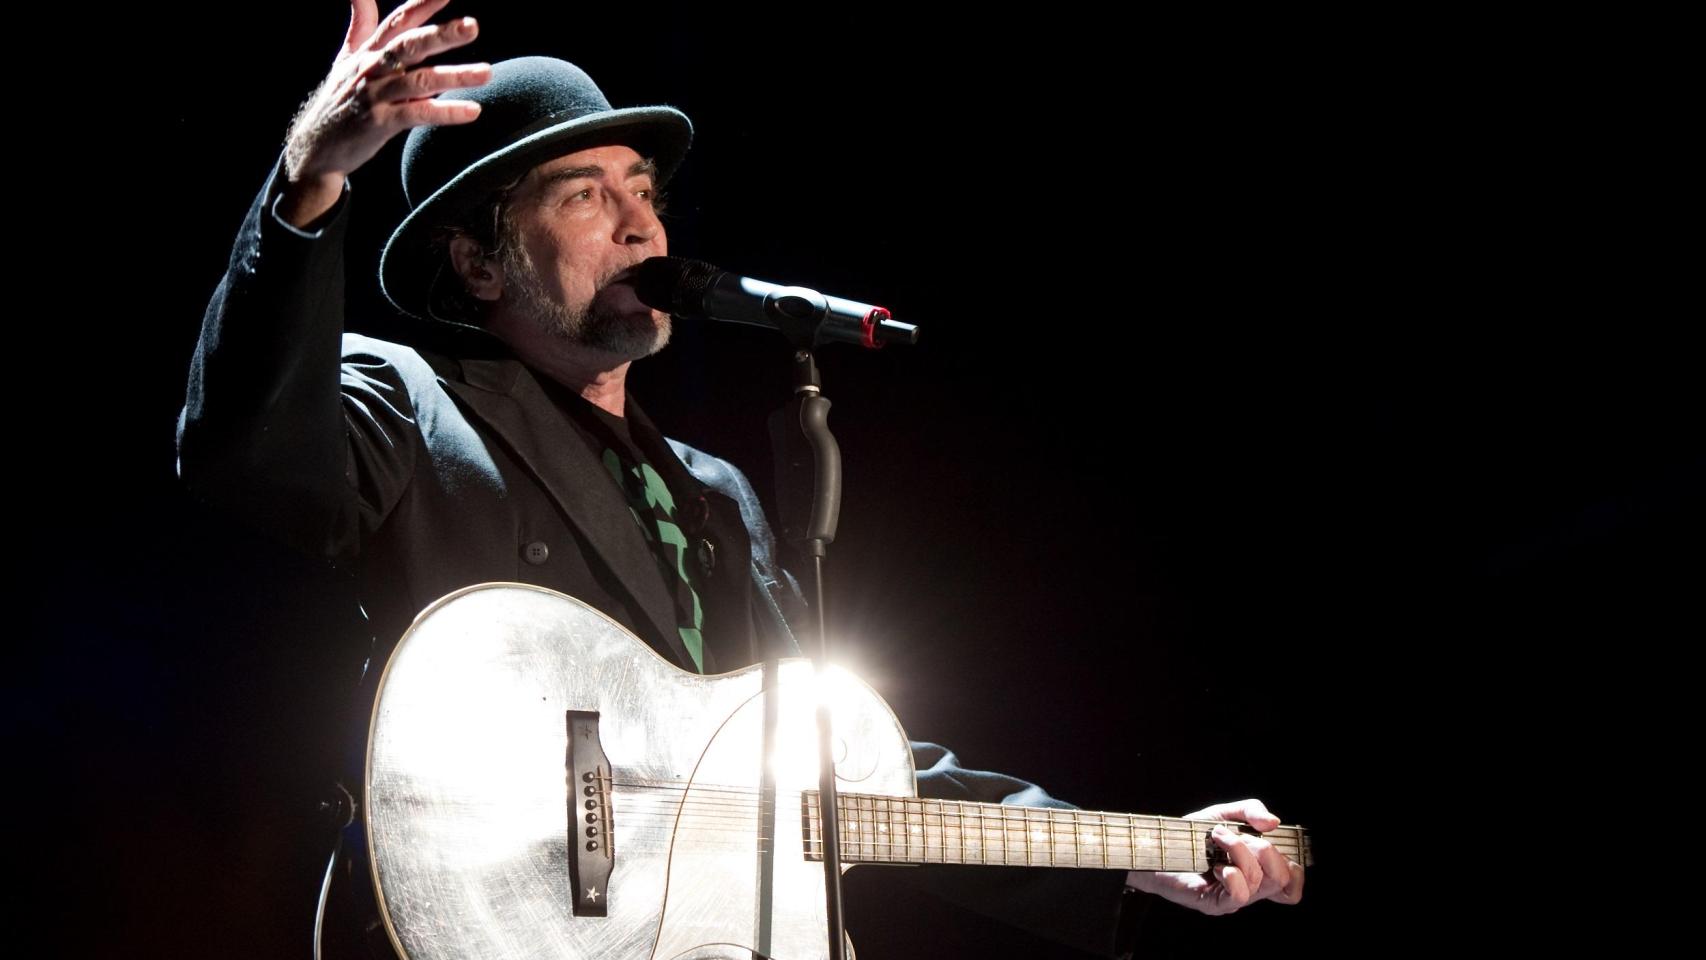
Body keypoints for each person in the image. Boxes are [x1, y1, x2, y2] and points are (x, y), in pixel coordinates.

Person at [177, 1, 1303, 955]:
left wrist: (1145, 850)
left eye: (642, 189)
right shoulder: (414, 402)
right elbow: (248, 451)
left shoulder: (713, 492)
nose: (638, 226)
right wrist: (306, 181)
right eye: (583, 197)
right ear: (478, 260)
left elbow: (836, 767)